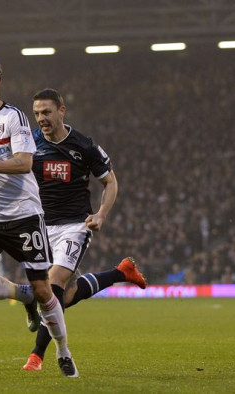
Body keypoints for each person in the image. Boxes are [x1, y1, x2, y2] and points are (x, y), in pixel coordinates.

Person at [0, 55, 78, 377]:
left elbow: (24, 162)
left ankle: (63, 351)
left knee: (44, 291)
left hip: (23, 216)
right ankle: (20, 294)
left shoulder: (13, 118)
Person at [22, 88, 147, 371]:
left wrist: (101, 214)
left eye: (47, 112)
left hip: (75, 226)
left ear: (62, 111)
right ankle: (121, 272)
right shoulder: (29, 142)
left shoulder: (84, 146)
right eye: (37, 113)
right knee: (64, 295)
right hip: (41, 227)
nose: (41, 118)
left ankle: (37, 355)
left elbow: (110, 182)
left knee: (51, 289)